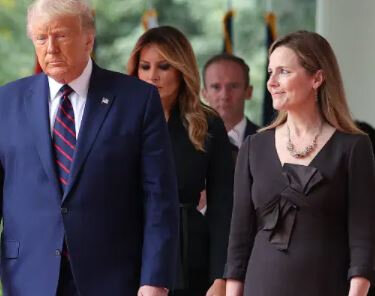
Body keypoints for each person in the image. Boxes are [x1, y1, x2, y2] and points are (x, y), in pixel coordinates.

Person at [0, 0, 179, 295]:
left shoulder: (137, 99)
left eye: (61, 35)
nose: (50, 48)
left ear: (88, 39)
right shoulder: (7, 102)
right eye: (41, 38)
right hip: (27, 277)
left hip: (113, 276)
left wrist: (155, 279)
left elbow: (159, 198)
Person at [224, 30, 375, 296]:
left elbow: (363, 241)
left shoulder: (353, 147)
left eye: (284, 71)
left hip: (326, 286)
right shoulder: (253, 147)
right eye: (270, 72)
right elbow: (239, 241)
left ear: (317, 78)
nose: (271, 82)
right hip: (261, 285)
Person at [128, 26, 234, 296]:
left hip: (190, 255)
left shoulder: (208, 124)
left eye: (164, 66)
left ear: (181, 70)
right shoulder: (117, 121)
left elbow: (223, 205)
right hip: (128, 250)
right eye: (145, 66)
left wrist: (220, 277)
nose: (152, 76)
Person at [202, 53, 259, 158]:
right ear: (204, 94)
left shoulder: (270, 141)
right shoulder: (190, 140)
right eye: (216, 87)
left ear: (249, 92)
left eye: (233, 86)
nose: (224, 96)